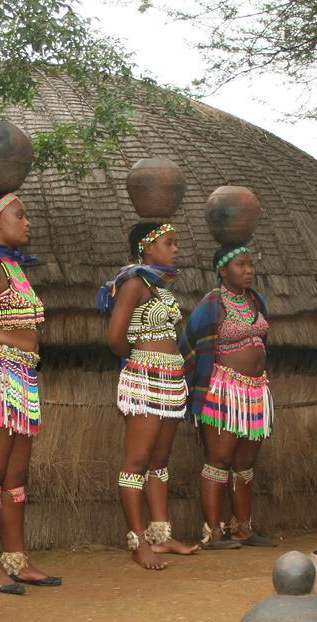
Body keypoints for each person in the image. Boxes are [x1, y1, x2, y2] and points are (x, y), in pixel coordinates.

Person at [0, 192, 62, 587]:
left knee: (16, 474)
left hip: (22, 375)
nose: (27, 222)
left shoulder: (15, 268)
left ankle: (17, 559)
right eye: (19, 215)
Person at [99, 222, 200, 569]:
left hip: (172, 378)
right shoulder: (133, 283)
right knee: (137, 462)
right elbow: (115, 337)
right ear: (146, 247)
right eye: (168, 243)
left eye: (176, 243)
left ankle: (161, 536)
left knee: (160, 460)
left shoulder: (160, 287)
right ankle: (137, 541)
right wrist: (141, 358)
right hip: (145, 377)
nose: (175, 249)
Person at [182, 243, 275, 547]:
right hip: (224, 390)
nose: (249, 271)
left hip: (256, 389)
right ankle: (213, 532)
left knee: (246, 460)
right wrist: (201, 383)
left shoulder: (255, 300)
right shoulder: (213, 303)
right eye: (241, 266)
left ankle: (244, 529)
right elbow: (190, 342)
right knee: (219, 458)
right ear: (223, 270)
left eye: (251, 265)